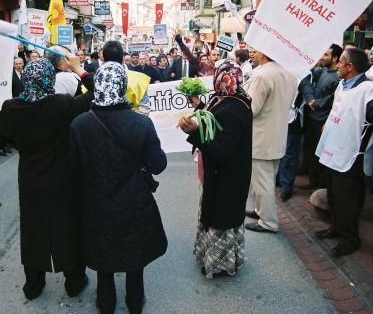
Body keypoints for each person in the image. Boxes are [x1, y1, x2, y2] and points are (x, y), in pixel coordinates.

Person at [70, 61, 167, 314]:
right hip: (134, 198)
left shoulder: (80, 124)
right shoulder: (141, 123)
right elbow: (158, 165)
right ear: (123, 86)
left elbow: (73, 167)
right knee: (135, 251)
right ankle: (135, 302)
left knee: (103, 251)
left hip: (96, 199)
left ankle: (106, 303)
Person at [0, 55, 91, 301]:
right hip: (64, 178)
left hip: (30, 178)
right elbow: (97, 91)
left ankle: (33, 283)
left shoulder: (11, 108)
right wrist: (78, 69)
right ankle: (74, 281)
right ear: (49, 79)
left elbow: (7, 135)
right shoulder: (62, 105)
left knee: (33, 229)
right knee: (68, 226)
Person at [178, 60, 252, 278]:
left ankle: (219, 265)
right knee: (218, 215)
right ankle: (214, 259)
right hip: (225, 176)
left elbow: (221, 152)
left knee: (221, 218)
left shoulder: (233, 109)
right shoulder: (232, 99)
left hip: (226, 178)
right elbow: (213, 120)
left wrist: (194, 132)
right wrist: (198, 106)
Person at [315, 49, 373, 257]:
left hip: (350, 155)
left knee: (347, 199)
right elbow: (335, 107)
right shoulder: (342, 85)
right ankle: (336, 228)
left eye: (341, 62)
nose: (338, 65)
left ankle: (350, 239)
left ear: (350, 67)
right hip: (333, 149)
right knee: (333, 194)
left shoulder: (370, 89)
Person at [243, 51, 297, 233]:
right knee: (267, 178)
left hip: (260, 136)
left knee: (262, 182)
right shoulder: (288, 73)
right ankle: (260, 211)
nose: (253, 52)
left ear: (263, 53)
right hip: (278, 133)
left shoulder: (262, 75)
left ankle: (268, 221)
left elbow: (251, 108)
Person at [300, 44, 342, 189]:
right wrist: (310, 98)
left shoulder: (338, 78)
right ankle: (313, 182)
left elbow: (335, 99)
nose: (322, 57)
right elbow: (305, 78)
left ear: (335, 58)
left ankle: (322, 187)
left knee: (322, 155)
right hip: (312, 119)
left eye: (326, 55)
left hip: (324, 122)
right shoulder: (321, 70)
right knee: (311, 152)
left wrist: (317, 103)